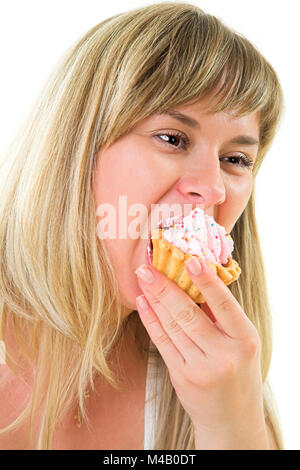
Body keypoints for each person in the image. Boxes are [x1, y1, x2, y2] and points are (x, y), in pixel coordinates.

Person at [0, 1, 284, 450]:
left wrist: (232, 431)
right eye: (173, 138)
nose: (212, 189)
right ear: (79, 148)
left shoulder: (218, 377)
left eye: (235, 159)